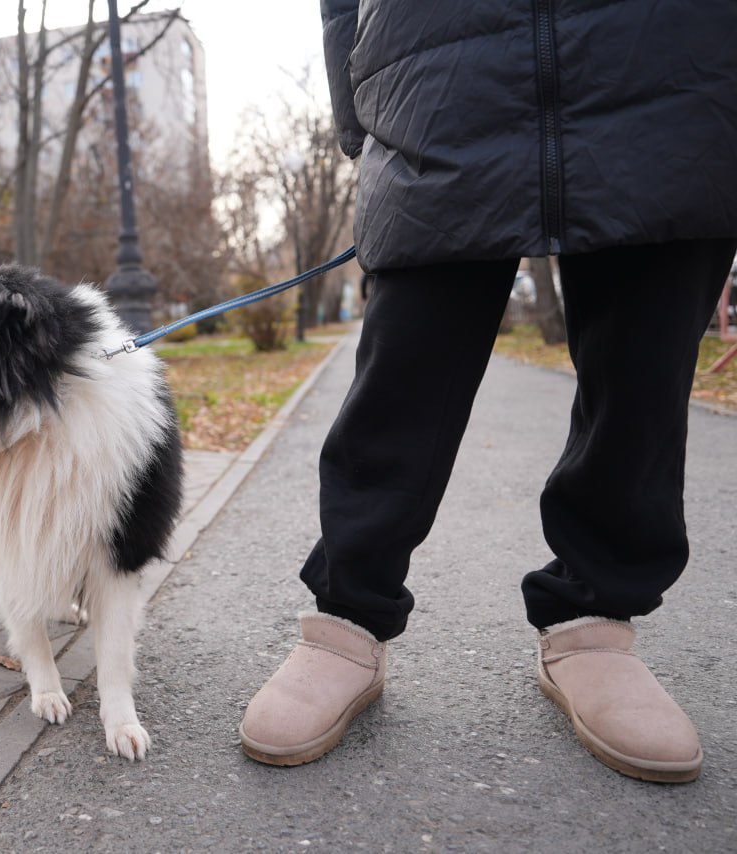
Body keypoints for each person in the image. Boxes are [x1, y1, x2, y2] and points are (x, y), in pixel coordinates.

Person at [239, 0, 737, 783]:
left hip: (669, 67)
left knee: (643, 381)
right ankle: (346, 617)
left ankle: (594, 621)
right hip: (433, 70)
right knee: (400, 375)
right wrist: (357, 109)